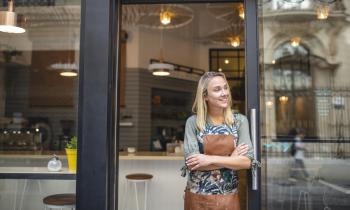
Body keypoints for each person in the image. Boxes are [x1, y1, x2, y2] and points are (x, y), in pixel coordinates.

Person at [182, 72, 255, 210]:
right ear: (205, 96)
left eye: (225, 87)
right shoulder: (193, 123)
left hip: (228, 198)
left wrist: (208, 160)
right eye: (217, 89)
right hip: (197, 197)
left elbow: (246, 162)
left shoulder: (239, 121)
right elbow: (193, 164)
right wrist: (231, 159)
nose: (224, 93)